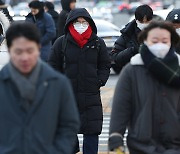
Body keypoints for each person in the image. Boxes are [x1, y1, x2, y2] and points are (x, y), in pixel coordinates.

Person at [0, 21, 80, 154]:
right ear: (9, 50)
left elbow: (69, 125)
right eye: (18, 52)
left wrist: (58, 150)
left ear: (39, 48)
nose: (24, 57)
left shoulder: (58, 83)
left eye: (30, 50)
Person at [109, 21, 180, 154]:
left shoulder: (178, 69)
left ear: (171, 42)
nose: (160, 44)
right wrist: (115, 139)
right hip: (141, 145)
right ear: (145, 41)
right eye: (155, 40)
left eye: (164, 41)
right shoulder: (132, 70)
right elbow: (121, 107)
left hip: (175, 146)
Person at [49, 8, 111, 154]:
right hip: (67, 96)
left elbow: (105, 64)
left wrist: (100, 80)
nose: (81, 25)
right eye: (78, 22)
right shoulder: (61, 43)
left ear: (90, 24)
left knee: (92, 132)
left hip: (91, 96)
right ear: (71, 23)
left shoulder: (97, 43)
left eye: (84, 22)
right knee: (68, 132)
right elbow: (52, 65)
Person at [111, 4, 153, 73]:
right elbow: (115, 58)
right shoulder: (127, 34)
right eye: (141, 22)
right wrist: (132, 50)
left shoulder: (158, 32)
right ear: (136, 20)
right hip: (133, 73)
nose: (144, 24)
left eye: (147, 22)